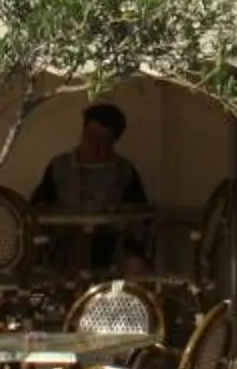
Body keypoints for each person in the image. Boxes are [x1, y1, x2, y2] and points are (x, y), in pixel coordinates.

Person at [33, 103, 151, 273]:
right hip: (65, 245)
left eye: (105, 141)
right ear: (82, 134)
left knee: (135, 264)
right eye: (91, 138)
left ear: (114, 142)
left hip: (110, 246)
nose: (96, 147)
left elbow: (141, 214)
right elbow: (38, 205)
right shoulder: (60, 166)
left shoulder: (125, 171)